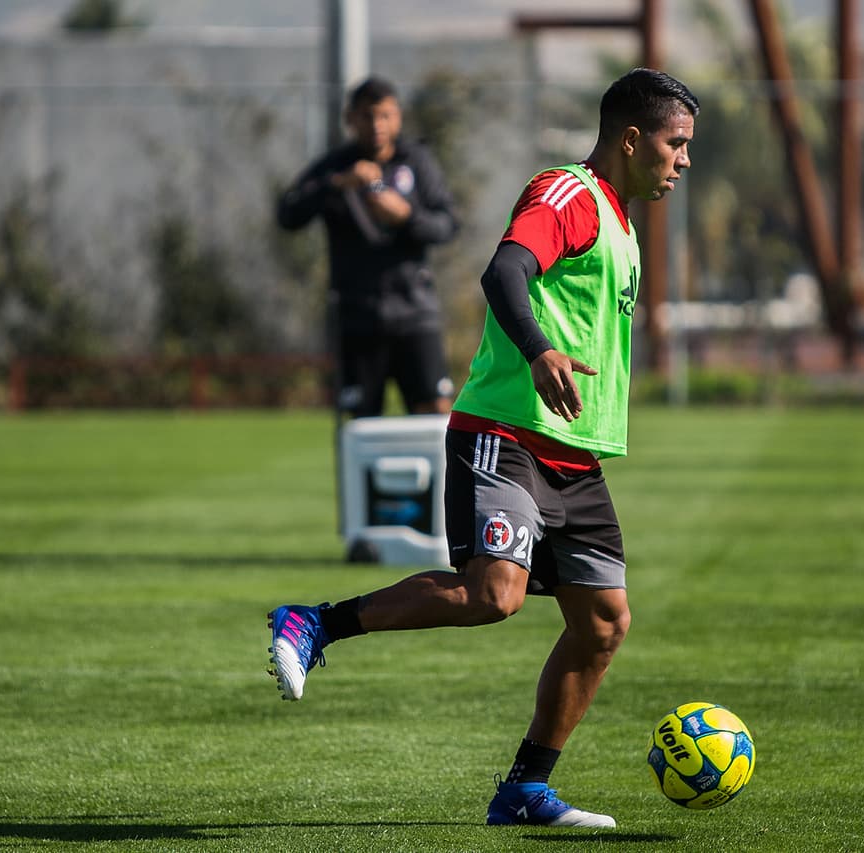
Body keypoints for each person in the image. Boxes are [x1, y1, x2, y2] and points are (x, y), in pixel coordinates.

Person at [266, 68, 699, 829]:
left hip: (575, 454)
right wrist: (537, 351)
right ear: (633, 139)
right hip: (505, 431)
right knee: (492, 592)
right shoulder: (567, 194)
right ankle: (314, 623)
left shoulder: (623, 226)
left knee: (603, 622)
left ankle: (525, 790)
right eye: (676, 142)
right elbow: (504, 270)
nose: (683, 159)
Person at [277, 76, 459, 417]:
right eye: (367, 116)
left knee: (435, 412)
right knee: (361, 423)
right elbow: (288, 214)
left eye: (385, 115)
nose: (377, 125)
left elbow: (448, 224)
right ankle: (367, 474)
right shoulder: (337, 166)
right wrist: (336, 185)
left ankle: (435, 474)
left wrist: (406, 216)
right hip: (358, 320)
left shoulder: (416, 162)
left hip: (415, 314)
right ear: (351, 119)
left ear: (398, 117)